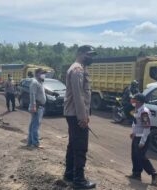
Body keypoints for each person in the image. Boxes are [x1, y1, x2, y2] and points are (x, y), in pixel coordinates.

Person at [63, 45, 97, 189]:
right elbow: (79, 96)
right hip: (76, 114)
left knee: (73, 145)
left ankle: (69, 174)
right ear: (81, 53)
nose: (91, 58)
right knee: (80, 147)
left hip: (72, 113)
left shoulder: (79, 68)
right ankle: (79, 180)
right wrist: (83, 117)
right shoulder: (77, 70)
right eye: (89, 54)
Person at [127, 93, 157, 186]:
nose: (132, 101)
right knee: (134, 156)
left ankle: (154, 174)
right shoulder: (137, 110)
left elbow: (146, 127)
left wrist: (142, 141)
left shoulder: (144, 112)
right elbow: (137, 124)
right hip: (136, 136)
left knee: (141, 157)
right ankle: (136, 174)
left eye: (134, 100)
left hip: (142, 137)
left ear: (139, 102)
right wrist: (133, 133)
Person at [28, 68, 59, 148]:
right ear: (37, 73)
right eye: (42, 73)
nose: (44, 75)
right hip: (37, 107)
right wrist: (33, 106)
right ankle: (35, 143)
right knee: (35, 125)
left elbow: (44, 90)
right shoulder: (34, 82)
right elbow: (32, 95)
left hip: (39, 106)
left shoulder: (39, 82)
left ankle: (31, 142)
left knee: (33, 125)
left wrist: (53, 93)